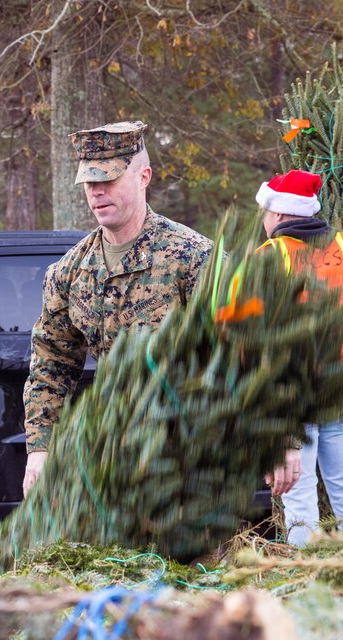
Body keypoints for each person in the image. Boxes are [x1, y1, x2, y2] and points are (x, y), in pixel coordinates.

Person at [23, 120, 214, 495]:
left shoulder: (193, 258)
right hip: (116, 456)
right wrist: (39, 448)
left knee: (192, 556)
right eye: (89, 183)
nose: (96, 192)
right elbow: (51, 364)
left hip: (192, 456)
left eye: (108, 180)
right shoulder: (70, 271)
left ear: (144, 176)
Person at [255, 170, 343, 545]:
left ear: (280, 214)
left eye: (265, 212)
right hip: (340, 394)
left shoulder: (270, 258)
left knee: (299, 501)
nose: (264, 220)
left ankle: (307, 581)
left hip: (293, 401)